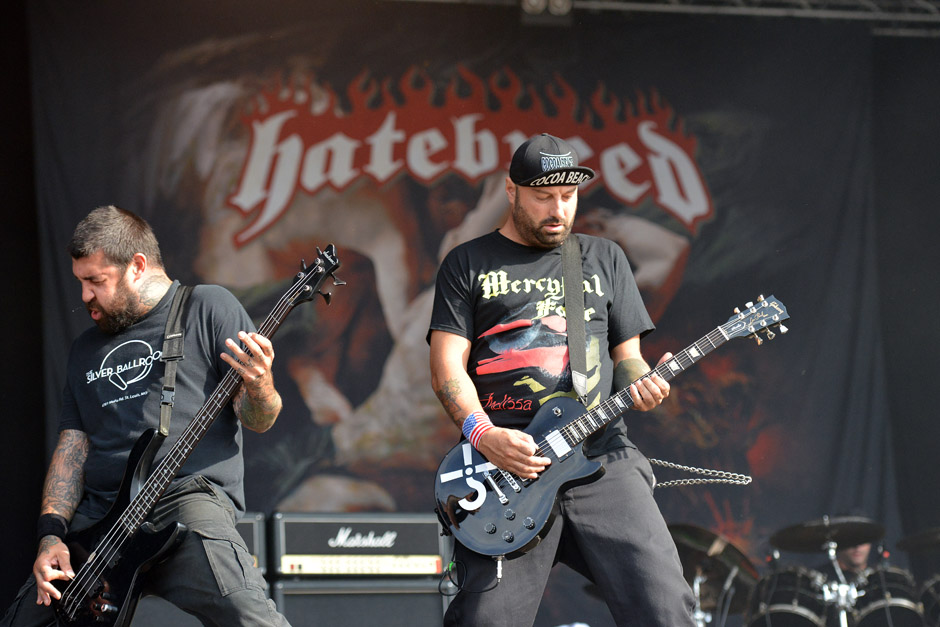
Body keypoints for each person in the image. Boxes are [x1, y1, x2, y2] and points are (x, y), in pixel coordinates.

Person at [427, 133, 696, 626]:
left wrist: (644, 381)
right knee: (486, 621)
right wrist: (484, 436)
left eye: (568, 198)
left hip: (600, 454)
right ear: (511, 192)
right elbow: (447, 367)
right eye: (543, 197)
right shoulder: (467, 262)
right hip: (509, 467)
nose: (558, 210)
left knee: (666, 607)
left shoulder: (604, 258)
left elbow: (630, 358)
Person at [1, 206, 291, 626]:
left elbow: (259, 419)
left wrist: (261, 384)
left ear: (137, 266)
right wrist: (52, 536)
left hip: (185, 499)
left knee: (248, 615)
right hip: (100, 520)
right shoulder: (85, 349)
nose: (84, 296)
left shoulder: (207, 307)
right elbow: (72, 447)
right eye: (80, 281)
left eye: (95, 281)